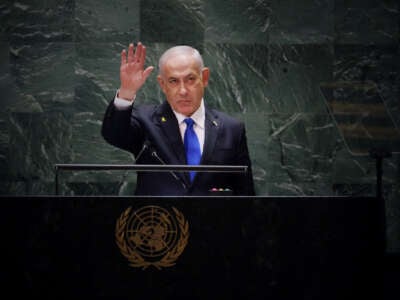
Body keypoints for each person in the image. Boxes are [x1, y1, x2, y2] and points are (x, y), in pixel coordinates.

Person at [101, 42, 255, 196]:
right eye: (173, 81)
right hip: (160, 218)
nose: (183, 91)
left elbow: (245, 194)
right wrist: (127, 91)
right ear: (162, 84)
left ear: (205, 77)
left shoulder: (231, 129)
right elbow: (114, 134)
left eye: (190, 79)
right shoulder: (146, 121)